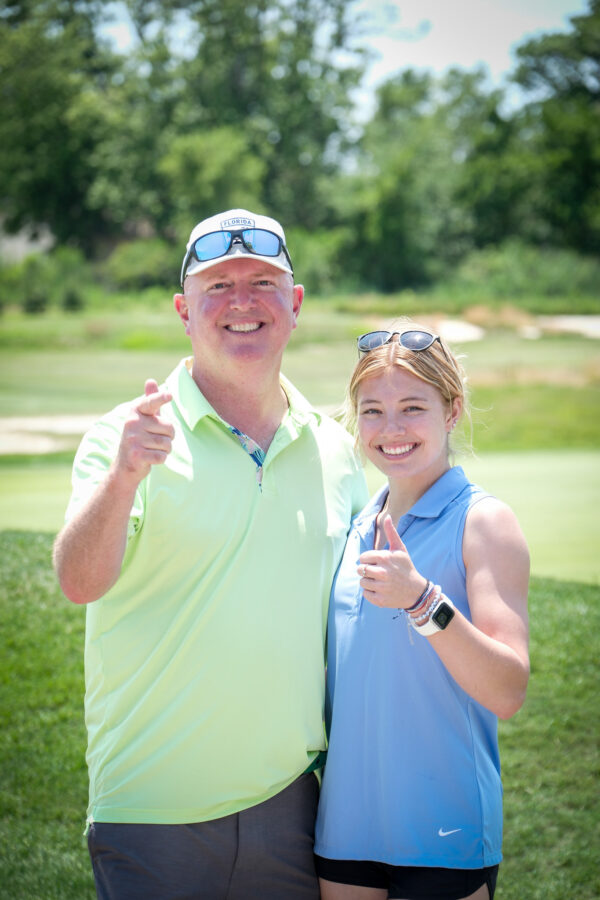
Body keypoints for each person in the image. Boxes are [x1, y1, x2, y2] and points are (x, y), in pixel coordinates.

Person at [53, 208, 368, 900]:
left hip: (292, 807)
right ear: (183, 311)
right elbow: (78, 581)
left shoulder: (336, 450)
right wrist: (125, 478)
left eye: (261, 281)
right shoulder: (124, 437)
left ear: (295, 303)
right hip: (151, 812)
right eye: (217, 286)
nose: (241, 302)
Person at [314, 325, 530, 900]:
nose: (392, 430)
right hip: (345, 833)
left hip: (445, 833)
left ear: (452, 411)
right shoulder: (357, 526)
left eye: (413, 408)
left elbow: (508, 689)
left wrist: (422, 600)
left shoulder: (483, 522)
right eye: (373, 411)